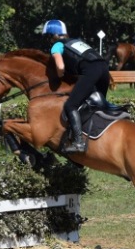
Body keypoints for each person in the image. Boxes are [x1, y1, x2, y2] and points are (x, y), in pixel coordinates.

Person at [42, 19, 111, 153]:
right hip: (104, 69)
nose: (48, 40)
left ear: (52, 34)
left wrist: (60, 76)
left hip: (91, 71)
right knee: (96, 104)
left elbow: (61, 67)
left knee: (70, 105)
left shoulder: (56, 45)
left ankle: (79, 142)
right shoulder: (76, 41)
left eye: (48, 36)